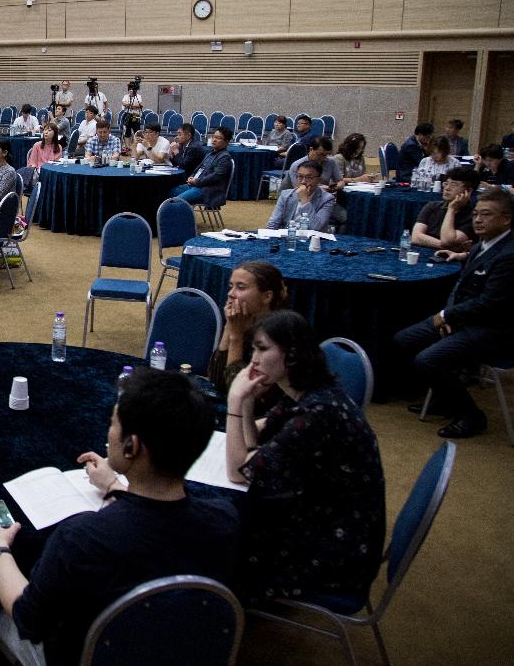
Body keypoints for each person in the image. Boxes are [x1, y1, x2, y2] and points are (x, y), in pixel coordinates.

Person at [0, 367, 240, 666]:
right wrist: (115, 486)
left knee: (0, 620)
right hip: (186, 653)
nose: (109, 432)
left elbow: (27, 616)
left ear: (132, 446)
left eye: (113, 424)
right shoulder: (225, 521)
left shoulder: (82, 538)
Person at [226, 310, 385, 606]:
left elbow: (239, 471)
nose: (254, 360)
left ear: (292, 355)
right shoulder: (307, 392)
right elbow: (255, 442)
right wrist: (248, 402)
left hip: (336, 555)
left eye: (262, 349)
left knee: (219, 540)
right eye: (253, 350)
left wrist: (235, 402)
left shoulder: (318, 412)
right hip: (325, 521)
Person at [395, 189, 514, 438]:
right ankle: (444, 397)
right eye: (477, 214)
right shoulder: (483, 244)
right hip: (463, 318)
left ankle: (472, 415)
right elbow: (460, 287)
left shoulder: (508, 255)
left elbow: (490, 304)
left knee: (427, 360)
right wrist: (447, 315)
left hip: (494, 330)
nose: (478, 220)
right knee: (403, 339)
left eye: (487, 215)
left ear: (506, 219)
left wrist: (449, 318)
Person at [207, 261, 287, 390]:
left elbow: (239, 391)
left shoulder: (279, 334)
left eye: (241, 287)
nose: (230, 294)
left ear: (267, 296)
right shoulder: (242, 322)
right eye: (231, 286)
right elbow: (216, 380)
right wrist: (229, 326)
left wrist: (236, 337)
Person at [411, 167, 479, 252]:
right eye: (446, 183)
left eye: (453, 184)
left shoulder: (474, 215)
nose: (447, 188)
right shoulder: (432, 206)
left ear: (468, 190)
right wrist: (448, 247)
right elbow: (415, 237)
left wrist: (451, 209)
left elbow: (447, 241)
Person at [266, 160, 336, 232]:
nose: (303, 181)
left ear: (319, 180)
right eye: (300, 176)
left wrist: (305, 200)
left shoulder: (327, 199)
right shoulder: (286, 195)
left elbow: (316, 227)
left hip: (312, 240)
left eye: (309, 177)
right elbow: (273, 224)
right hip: (289, 237)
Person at [170, 126, 231, 206]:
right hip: (197, 185)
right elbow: (199, 169)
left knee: (176, 201)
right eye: (213, 137)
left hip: (208, 190)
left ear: (226, 141)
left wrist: (196, 181)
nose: (214, 140)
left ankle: (179, 217)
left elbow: (215, 177)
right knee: (171, 192)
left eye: (218, 138)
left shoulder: (224, 158)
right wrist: (191, 178)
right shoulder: (210, 153)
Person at [119, 77, 142, 141]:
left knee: (137, 132)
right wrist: (132, 106)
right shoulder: (125, 96)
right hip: (127, 114)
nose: (131, 90)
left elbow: (139, 105)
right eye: (130, 89)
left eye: (132, 89)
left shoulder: (138, 96)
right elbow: (123, 103)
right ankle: (127, 147)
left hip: (136, 115)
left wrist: (129, 105)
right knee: (127, 132)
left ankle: (137, 146)